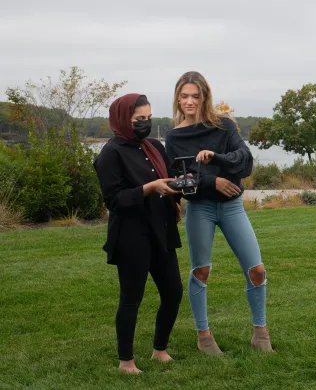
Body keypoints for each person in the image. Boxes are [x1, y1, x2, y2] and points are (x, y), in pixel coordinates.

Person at [164, 71, 272, 355]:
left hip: (232, 206)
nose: (189, 101)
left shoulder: (224, 126)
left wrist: (217, 158)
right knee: (201, 270)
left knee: (257, 270)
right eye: (184, 96)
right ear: (177, 97)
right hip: (200, 207)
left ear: (205, 97)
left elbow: (244, 160)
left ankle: (260, 333)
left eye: (195, 96)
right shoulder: (174, 137)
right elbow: (180, 178)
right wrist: (213, 180)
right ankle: (204, 336)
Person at [93, 93, 184, 374]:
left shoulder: (154, 146)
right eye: (139, 120)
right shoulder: (110, 153)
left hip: (161, 230)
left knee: (173, 292)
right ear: (122, 120)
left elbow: (167, 178)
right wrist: (149, 188)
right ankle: (126, 361)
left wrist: (178, 190)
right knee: (132, 298)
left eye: (148, 118)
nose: (145, 123)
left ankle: (160, 350)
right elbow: (114, 201)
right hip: (132, 235)